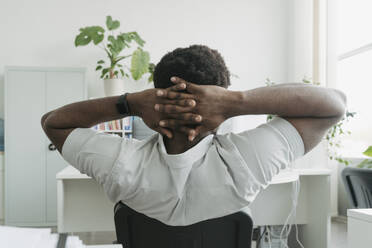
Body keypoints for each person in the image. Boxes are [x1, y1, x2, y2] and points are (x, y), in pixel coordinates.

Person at [41, 45, 346, 226]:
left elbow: (52, 122)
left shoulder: (121, 163)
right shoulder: (250, 160)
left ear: (155, 98)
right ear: (219, 97)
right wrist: (236, 102)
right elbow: (334, 105)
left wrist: (130, 102)